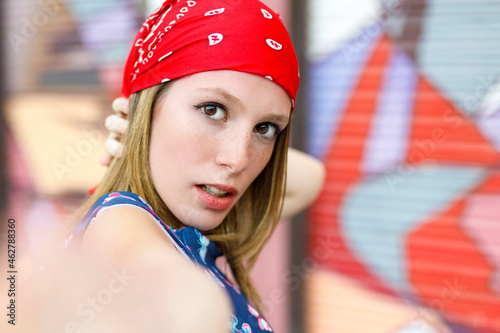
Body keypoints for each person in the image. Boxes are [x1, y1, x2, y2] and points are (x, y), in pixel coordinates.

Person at [56, 0, 323, 332]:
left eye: (265, 128)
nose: (238, 160)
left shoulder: (186, 232)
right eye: (212, 110)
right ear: (148, 106)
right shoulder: (120, 221)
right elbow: (160, 280)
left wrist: (139, 141)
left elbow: (311, 178)